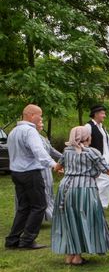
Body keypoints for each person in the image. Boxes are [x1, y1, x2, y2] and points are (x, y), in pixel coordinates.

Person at [51, 126, 109, 265]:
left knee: (69, 220)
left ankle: (69, 255)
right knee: (83, 219)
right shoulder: (92, 152)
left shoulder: (67, 151)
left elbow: (56, 168)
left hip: (65, 189)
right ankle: (77, 257)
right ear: (87, 138)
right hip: (84, 189)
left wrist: (69, 170)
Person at [5, 104, 58, 250]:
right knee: (39, 205)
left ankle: (12, 240)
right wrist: (53, 164)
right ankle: (27, 240)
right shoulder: (30, 131)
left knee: (24, 207)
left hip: (16, 173)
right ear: (31, 115)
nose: (41, 118)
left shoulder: (14, 131)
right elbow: (38, 151)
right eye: (40, 115)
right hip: (31, 173)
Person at [85, 104, 109, 209]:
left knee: (101, 181)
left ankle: (97, 205)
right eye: (102, 113)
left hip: (104, 159)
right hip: (95, 160)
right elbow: (83, 141)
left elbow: (108, 142)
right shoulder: (88, 127)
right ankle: (97, 204)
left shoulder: (102, 128)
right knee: (106, 180)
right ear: (95, 114)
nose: (104, 116)